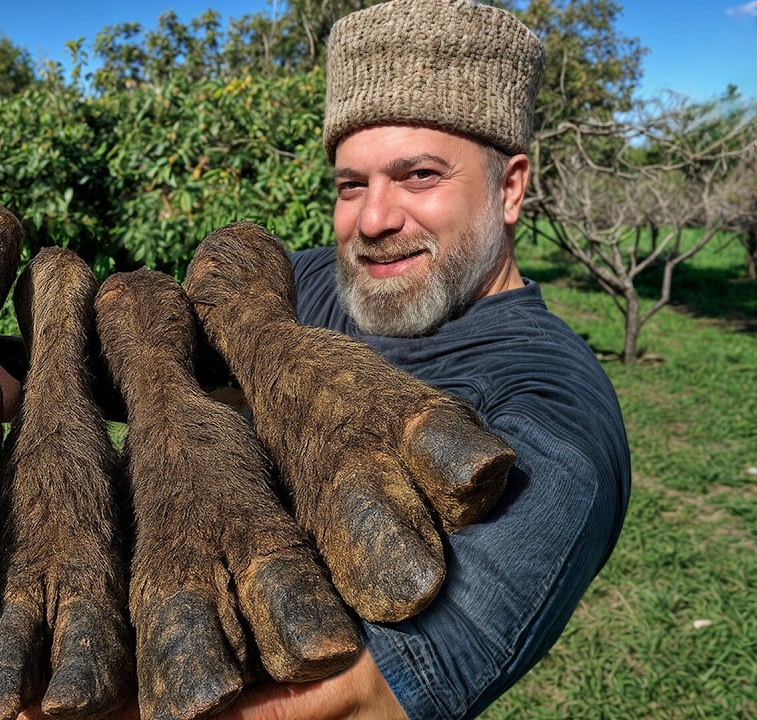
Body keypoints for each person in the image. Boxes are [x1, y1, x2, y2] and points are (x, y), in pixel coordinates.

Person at [213, 1, 631, 718]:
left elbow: (356, 697)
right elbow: (151, 355)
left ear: (510, 188)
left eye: (419, 176)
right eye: (351, 184)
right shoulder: (309, 283)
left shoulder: (553, 415)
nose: (373, 220)